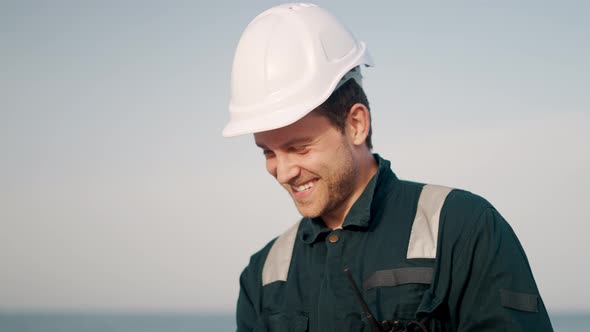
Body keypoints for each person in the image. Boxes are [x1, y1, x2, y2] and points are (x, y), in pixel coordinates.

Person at [223, 3, 553, 331]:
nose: (283, 172)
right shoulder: (263, 276)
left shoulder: (464, 229)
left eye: (299, 148)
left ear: (355, 124)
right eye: (268, 152)